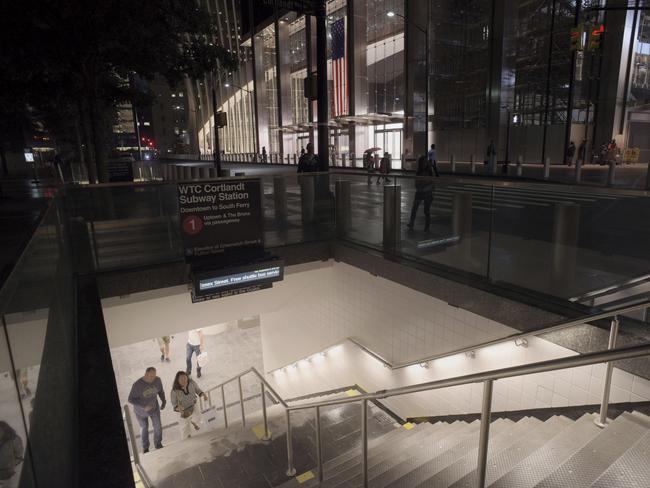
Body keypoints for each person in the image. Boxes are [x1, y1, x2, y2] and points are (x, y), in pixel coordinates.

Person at [128, 367, 166, 453]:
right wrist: (143, 406)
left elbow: (161, 391)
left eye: (154, 376)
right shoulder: (137, 385)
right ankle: (145, 448)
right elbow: (130, 399)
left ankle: (158, 444)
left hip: (154, 409)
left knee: (158, 427)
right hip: (140, 412)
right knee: (144, 428)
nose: (153, 379)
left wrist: (164, 401)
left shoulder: (157, 380)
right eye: (151, 376)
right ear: (145, 374)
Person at [171, 371, 207, 440]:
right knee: (185, 427)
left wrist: (203, 394)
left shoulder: (192, 383)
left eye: (185, 378)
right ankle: (186, 440)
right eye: (181, 379)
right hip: (182, 411)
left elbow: (197, 390)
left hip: (193, 405)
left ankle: (192, 421)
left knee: (198, 417)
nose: (184, 380)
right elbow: (174, 404)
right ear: (177, 381)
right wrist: (179, 408)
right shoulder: (174, 391)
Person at [407, 155, 434, 232]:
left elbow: (432, 182)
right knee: (414, 208)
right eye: (423, 162)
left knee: (426, 211)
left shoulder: (429, 171)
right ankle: (411, 223)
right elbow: (416, 182)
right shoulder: (418, 171)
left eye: (425, 162)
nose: (424, 163)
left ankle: (427, 226)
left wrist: (424, 187)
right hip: (419, 192)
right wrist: (419, 187)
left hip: (427, 193)